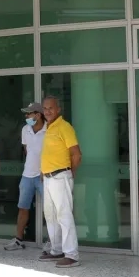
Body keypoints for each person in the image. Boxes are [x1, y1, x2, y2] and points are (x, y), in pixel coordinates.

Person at [40, 95, 82, 268]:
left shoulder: (64, 127)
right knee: (51, 216)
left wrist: (70, 173)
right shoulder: (48, 128)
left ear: (58, 109)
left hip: (60, 176)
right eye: (45, 108)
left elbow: (76, 154)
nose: (48, 111)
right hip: (48, 178)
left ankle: (72, 254)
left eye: (51, 108)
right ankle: (56, 250)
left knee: (64, 216)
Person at [4, 103, 46, 251]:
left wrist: (43, 169)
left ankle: (55, 242)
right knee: (23, 208)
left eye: (29, 114)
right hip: (27, 175)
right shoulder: (25, 129)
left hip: (44, 175)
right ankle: (18, 240)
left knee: (51, 210)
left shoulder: (50, 130)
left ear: (38, 114)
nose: (26, 116)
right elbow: (27, 150)